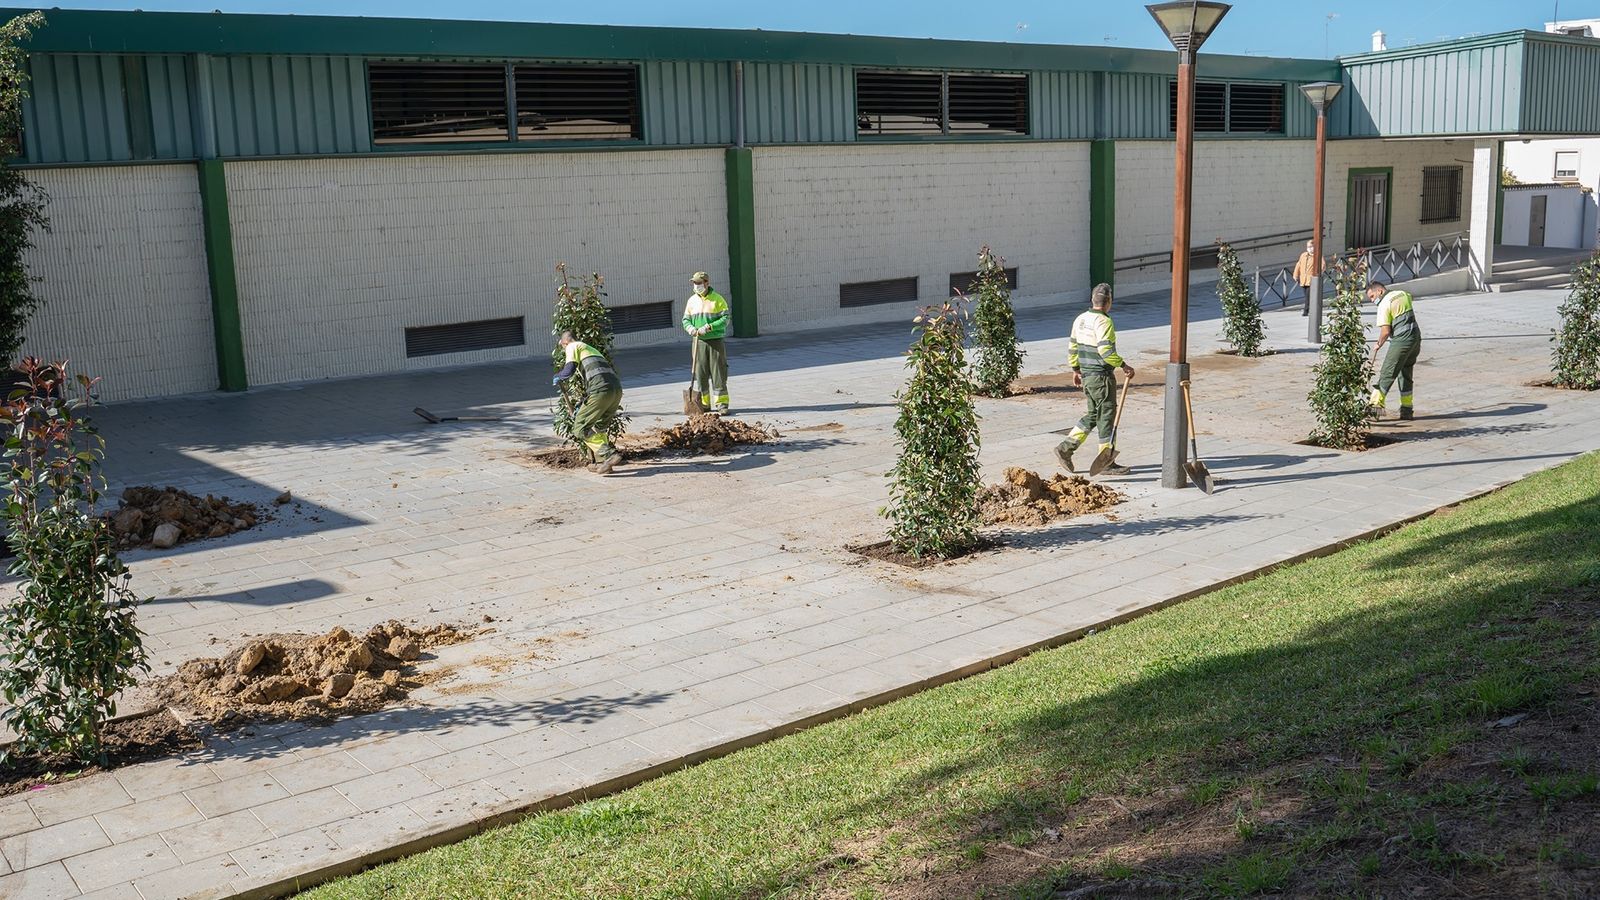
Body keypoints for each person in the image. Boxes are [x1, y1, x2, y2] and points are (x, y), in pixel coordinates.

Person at [1055, 283, 1135, 476]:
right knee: (1106, 417)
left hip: (1088, 376)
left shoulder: (1080, 319)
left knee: (1093, 415)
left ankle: (1065, 448)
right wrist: (1124, 365)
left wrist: (1076, 369)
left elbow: (1073, 348)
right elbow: (1106, 351)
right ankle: (1106, 461)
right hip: (1101, 377)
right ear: (1109, 302)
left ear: (1093, 300)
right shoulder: (1104, 322)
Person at [551, 331, 625, 474]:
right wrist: (584, 401)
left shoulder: (573, 346)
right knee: (599, 427)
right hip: (615, 391)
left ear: (565, 343)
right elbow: (598, 376)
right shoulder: (592, 350)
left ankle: (609, 455)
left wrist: (558, 375)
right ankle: (603, 464)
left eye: (563, 348)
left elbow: (569, 370)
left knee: (580, 428)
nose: (565, 351)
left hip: (600, 391)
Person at [1366, 280, 1422, 420]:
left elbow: (1385, 331)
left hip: (1401, 341)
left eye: (1372, 296)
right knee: (1405, 374)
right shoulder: (1402, 294)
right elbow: (1410, 299)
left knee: (1387, 373)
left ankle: (1375, 409)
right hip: (1415, 338)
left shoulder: (1384, 304)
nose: (1372, 300)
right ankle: (1407, 410)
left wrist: (1378, 344)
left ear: (1379, 291)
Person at [682, 271, 731, 414]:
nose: (696, 286)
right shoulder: (691, 301)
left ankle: (721, 404)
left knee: (718, 373)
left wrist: (709, 327)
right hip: (698, 341)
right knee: (700, 373)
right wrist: (690, 328)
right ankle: (704, 404)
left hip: (715, 341)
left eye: (699, 283)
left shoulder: (717, 299)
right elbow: (686, 320)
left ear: (706, 283)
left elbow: (725, 319)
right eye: (694, 283)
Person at [1292, 239, 1316, 316]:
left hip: (1311, 280)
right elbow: (1298, 265)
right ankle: (1312, 308)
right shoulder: (1303, 255)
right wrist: (1295, 275)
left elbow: (1322, 265)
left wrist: (1316, 274)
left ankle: (1306, 311)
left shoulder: (1317, 256)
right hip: (1303, 280)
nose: (1310, 248)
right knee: (1306, 295)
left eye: (1311, 246)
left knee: (1308, 296)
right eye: (1308, 247)